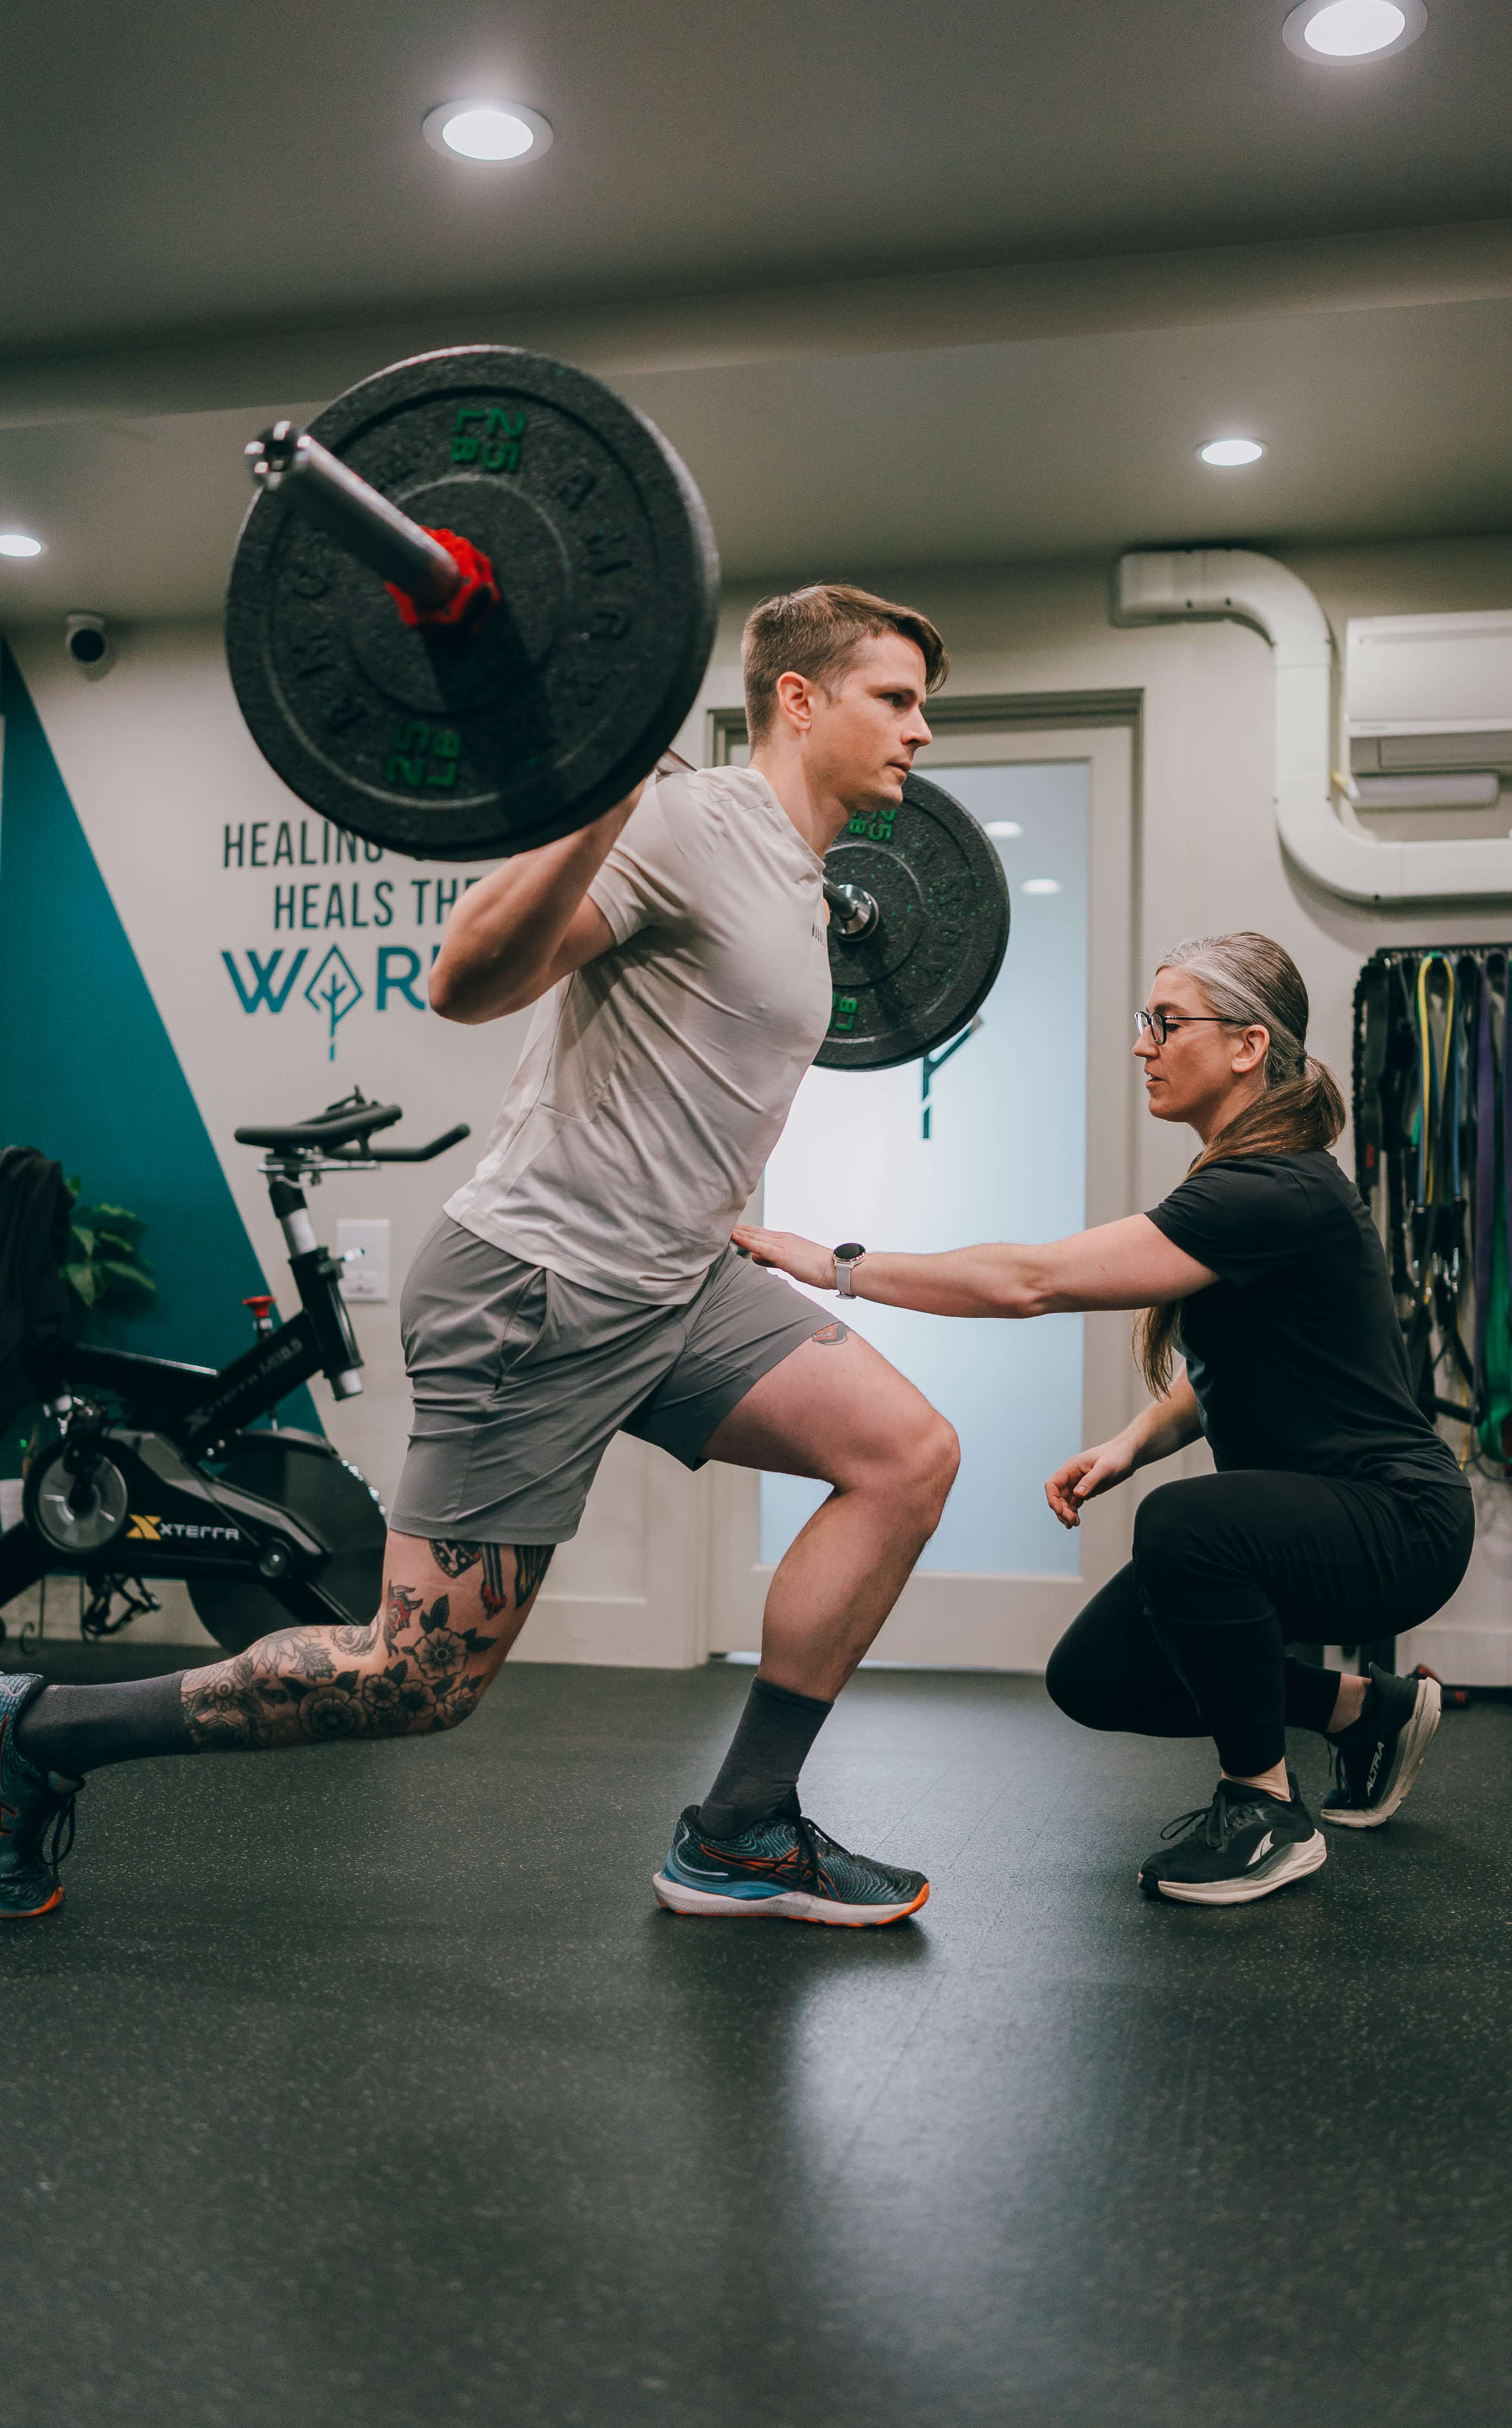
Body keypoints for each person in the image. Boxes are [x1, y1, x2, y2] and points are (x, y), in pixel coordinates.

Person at [0, 584, 963, 1929]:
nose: (924, 733)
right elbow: (465, 980)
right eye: (897, 699)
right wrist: (606, 804)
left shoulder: (806, 879)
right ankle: (40, 1732)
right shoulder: (685, 821)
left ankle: (742, 1826)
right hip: (541, 1286)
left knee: (906, 1458)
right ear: (797, 701)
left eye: (926, 706)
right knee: (415, 1682)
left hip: (678, 1282)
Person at [734, 931, 1475, 1907]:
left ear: (1249, 1045)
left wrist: (838, 1265)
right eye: (1147, 1024)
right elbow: (1256, 1363)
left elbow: (1030, 1283)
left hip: (1401, 1523)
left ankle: (1265, 1812)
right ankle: (1362, 1714)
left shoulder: (1274, 1188)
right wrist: (1133, 1443)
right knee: (1098, 1675)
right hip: (1331, 1519)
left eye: (1168, 1024)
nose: (1144, 1045)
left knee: (1187, 1528)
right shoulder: (1248, 1184)